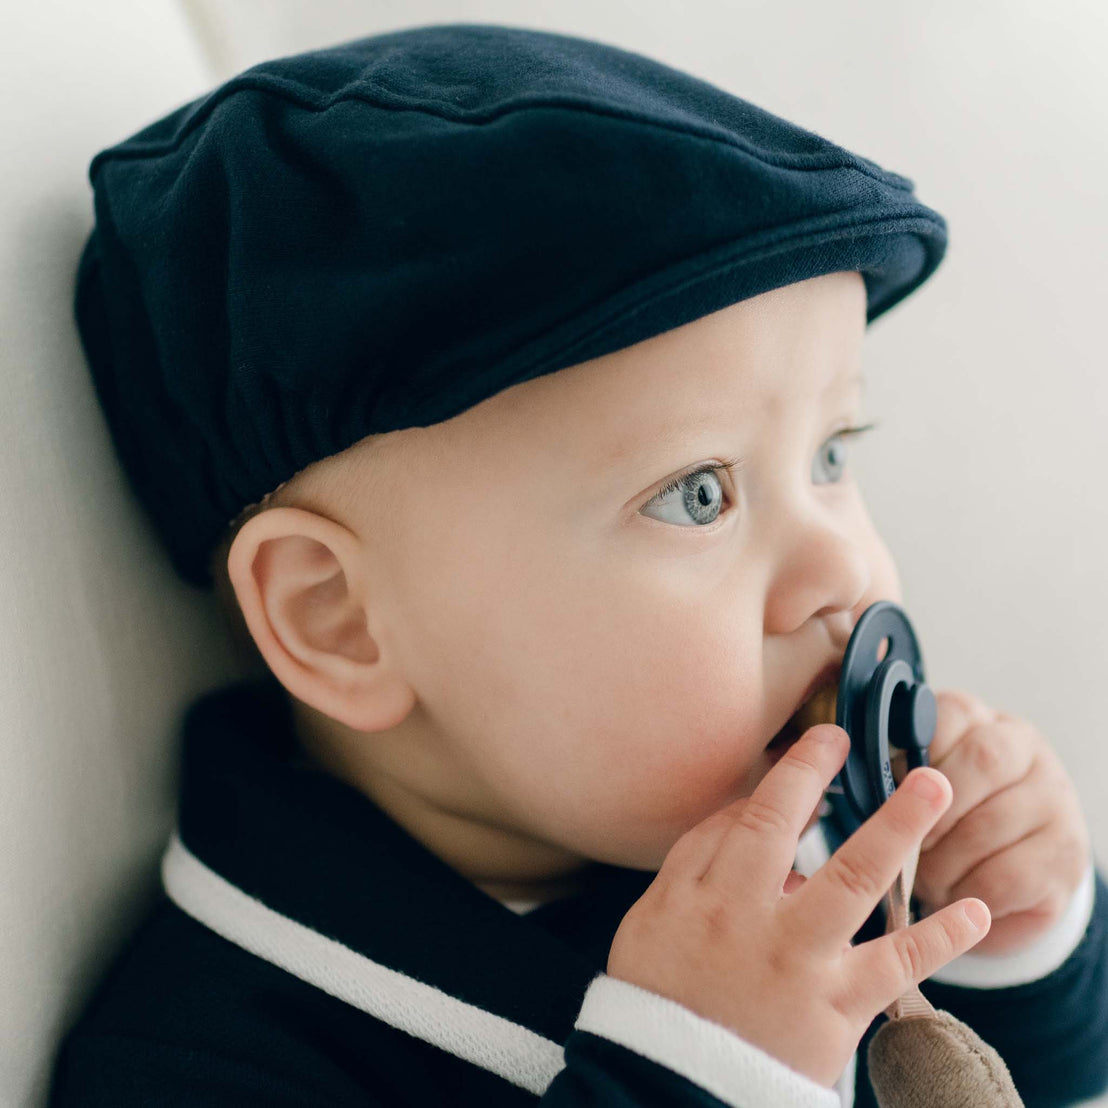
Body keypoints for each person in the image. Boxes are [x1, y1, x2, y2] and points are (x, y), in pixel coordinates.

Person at [47, 22, 1107, 1108]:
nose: (844, 568)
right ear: (340, 619)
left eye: (833, 453)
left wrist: (1006, 940)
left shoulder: (781, 837)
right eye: (698, 492)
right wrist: (695, 1073)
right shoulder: (202, 1063)